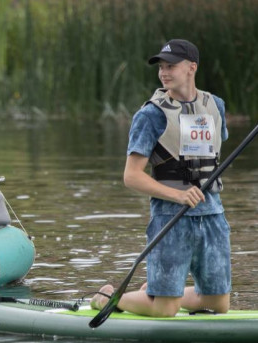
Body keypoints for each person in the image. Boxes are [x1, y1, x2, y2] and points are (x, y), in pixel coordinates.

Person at [91, 39, 230, 317]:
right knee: (165, 310)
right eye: (161, 67)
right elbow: (131, 177)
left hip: (212, 213)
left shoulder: (215, 106)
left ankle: (153, 293)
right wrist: (178, 195)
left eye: (171, 66)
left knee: (218, 305)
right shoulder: (150, 115)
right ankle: (108, 296)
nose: (164, 72)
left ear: (192, 67)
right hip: (170, 216)